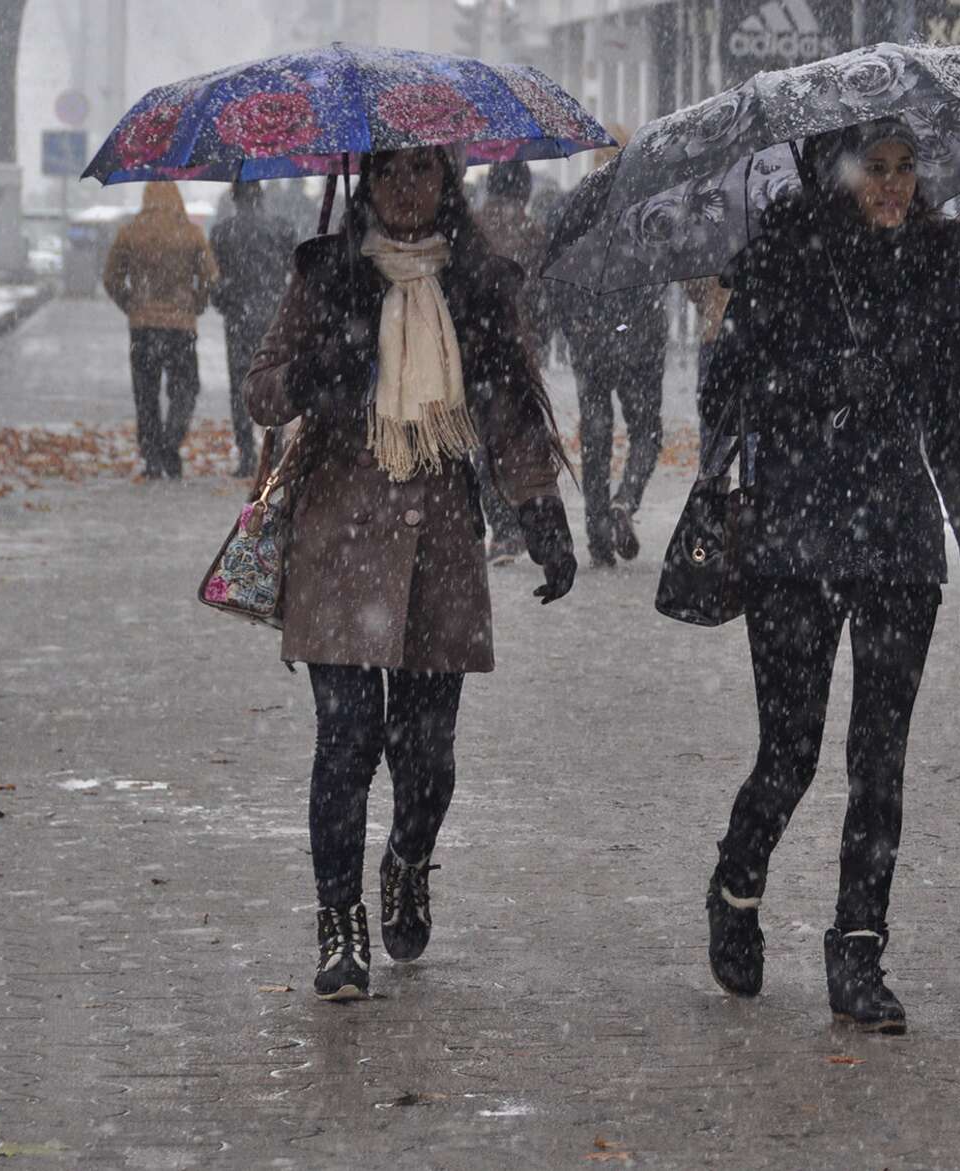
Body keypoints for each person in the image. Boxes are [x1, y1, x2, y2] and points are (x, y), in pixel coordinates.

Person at [699, 118, 960, 1035]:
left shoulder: (927, 266)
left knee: (879, 761)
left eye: (905, 170)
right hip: (796, 537)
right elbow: (726, 394)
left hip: (898, 542)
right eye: (875, 170)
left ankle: (859, 948)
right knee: (790, 751)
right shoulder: (783, 255)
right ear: (837, 175)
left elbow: (953, 423)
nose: (893, 187)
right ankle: (737, 883)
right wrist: (820, 381)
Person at [245, 146, 579, 1002]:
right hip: (340, 544)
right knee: (347, 742)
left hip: (439, 547)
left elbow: (509, 409)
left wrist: (543, 519)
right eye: (389, 171)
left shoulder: (478, 286)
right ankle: (339, 924)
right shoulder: (326, 276)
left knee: (426, 757)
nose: (404, 188)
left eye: (422, 171)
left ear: (447, 180)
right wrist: (318, 369)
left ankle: (407, 858)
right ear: (365, 180)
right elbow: (262, 391)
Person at [102, 182, 217, 479]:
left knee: (146, 392)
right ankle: (171, 440)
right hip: (181, 326)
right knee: (186, 388)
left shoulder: (130, 232)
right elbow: (210, 278)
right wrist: (197, 303)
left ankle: (152, 455)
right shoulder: (191, 233)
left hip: (143, 326)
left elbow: (111, 277)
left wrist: (130, 303)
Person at [556, 275, 667, 567]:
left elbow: (557, 288)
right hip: (640, 337)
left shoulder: (577, 239)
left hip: (591, 341)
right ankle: (625, 501)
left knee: (596, 438)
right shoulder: (645, 236)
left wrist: (578, 329)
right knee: (646, 430)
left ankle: (599, 539)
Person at [473, 160, 553, 564]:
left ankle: (502, 530)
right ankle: (520, 520)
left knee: (482, 440)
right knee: (515, 435)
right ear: (524, 190)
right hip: (517, 349)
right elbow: (541, 295)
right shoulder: (533, 232)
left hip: (476, 351)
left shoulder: (470, 228)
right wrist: (538, 336)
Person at [208, 181, 299, 477]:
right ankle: (274, 452)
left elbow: (218, 279)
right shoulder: (282, 228)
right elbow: (293, 270)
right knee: (277, 381)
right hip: (276, 316)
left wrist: (225, 300)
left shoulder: (222, 233)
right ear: (261, 196)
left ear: (234, 197)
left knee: (241, 384)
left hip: (239, 319)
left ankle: (247, 453)